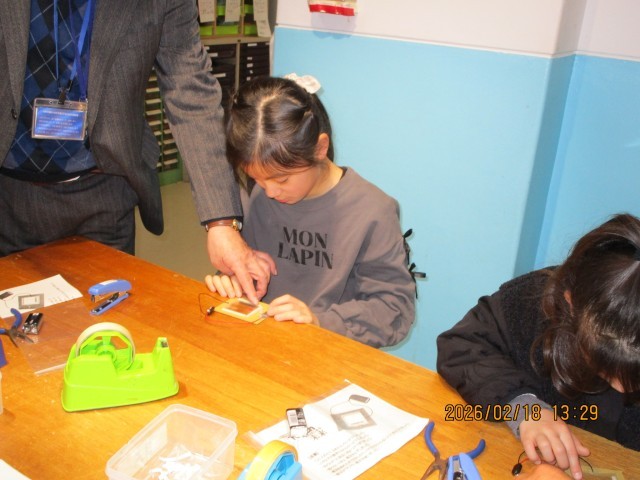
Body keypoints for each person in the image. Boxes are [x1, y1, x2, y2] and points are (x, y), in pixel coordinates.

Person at [0, 0, 272, 304]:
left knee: (104, 321)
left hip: (103, 190)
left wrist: (221, 223)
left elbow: (190, 92)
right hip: (9, 196)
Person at [205, 75, 416, 347]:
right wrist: (233, 280)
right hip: (262, 345)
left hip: (329, 352)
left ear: (320, 148)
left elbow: (394, 309)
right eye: (257, 179)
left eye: (282, 180)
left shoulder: (373, 211)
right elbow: (248, 268)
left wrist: (319, 321)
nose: (270, 192)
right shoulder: (259, 196)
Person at [436, 213, 640, 480]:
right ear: (570, 304)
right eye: (606, 367)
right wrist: (524, 408)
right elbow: (462, 346)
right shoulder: (533, 302)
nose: (623, 388)